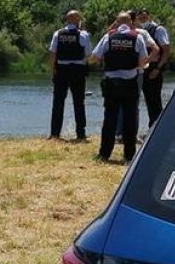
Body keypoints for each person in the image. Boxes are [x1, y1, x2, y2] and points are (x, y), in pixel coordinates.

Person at [89, 12, 150, 163]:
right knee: (130, 119)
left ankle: (104, 154)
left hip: (111, 82)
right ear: (130, 22)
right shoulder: (137, 37)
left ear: (116, 22)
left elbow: (94, 57)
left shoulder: (108, 37)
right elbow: (143, 62)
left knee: (110, 118)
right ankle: (129, 156)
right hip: (130, 83)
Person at [46, 10, 91, 141]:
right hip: (78, 71)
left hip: (61, 70)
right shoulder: (83, 35)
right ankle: (81, 134)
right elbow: (88, 55)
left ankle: (55, 134)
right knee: (79, 102)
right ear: (76, 20)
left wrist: (53, 70)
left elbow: (52, 54)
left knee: (58, 102)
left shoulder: (58, 33)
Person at [134, 9, 171, 129]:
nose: (142, 20)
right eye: (140, 18)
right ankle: (152, 129)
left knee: (154, 101)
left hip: (154, 70)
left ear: (149, 16)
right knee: (148, 101)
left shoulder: (158, 30)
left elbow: (166, 51)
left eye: (144, 17)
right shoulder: (139, 32)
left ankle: (158, 129)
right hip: (142, 70)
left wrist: (158, 69)